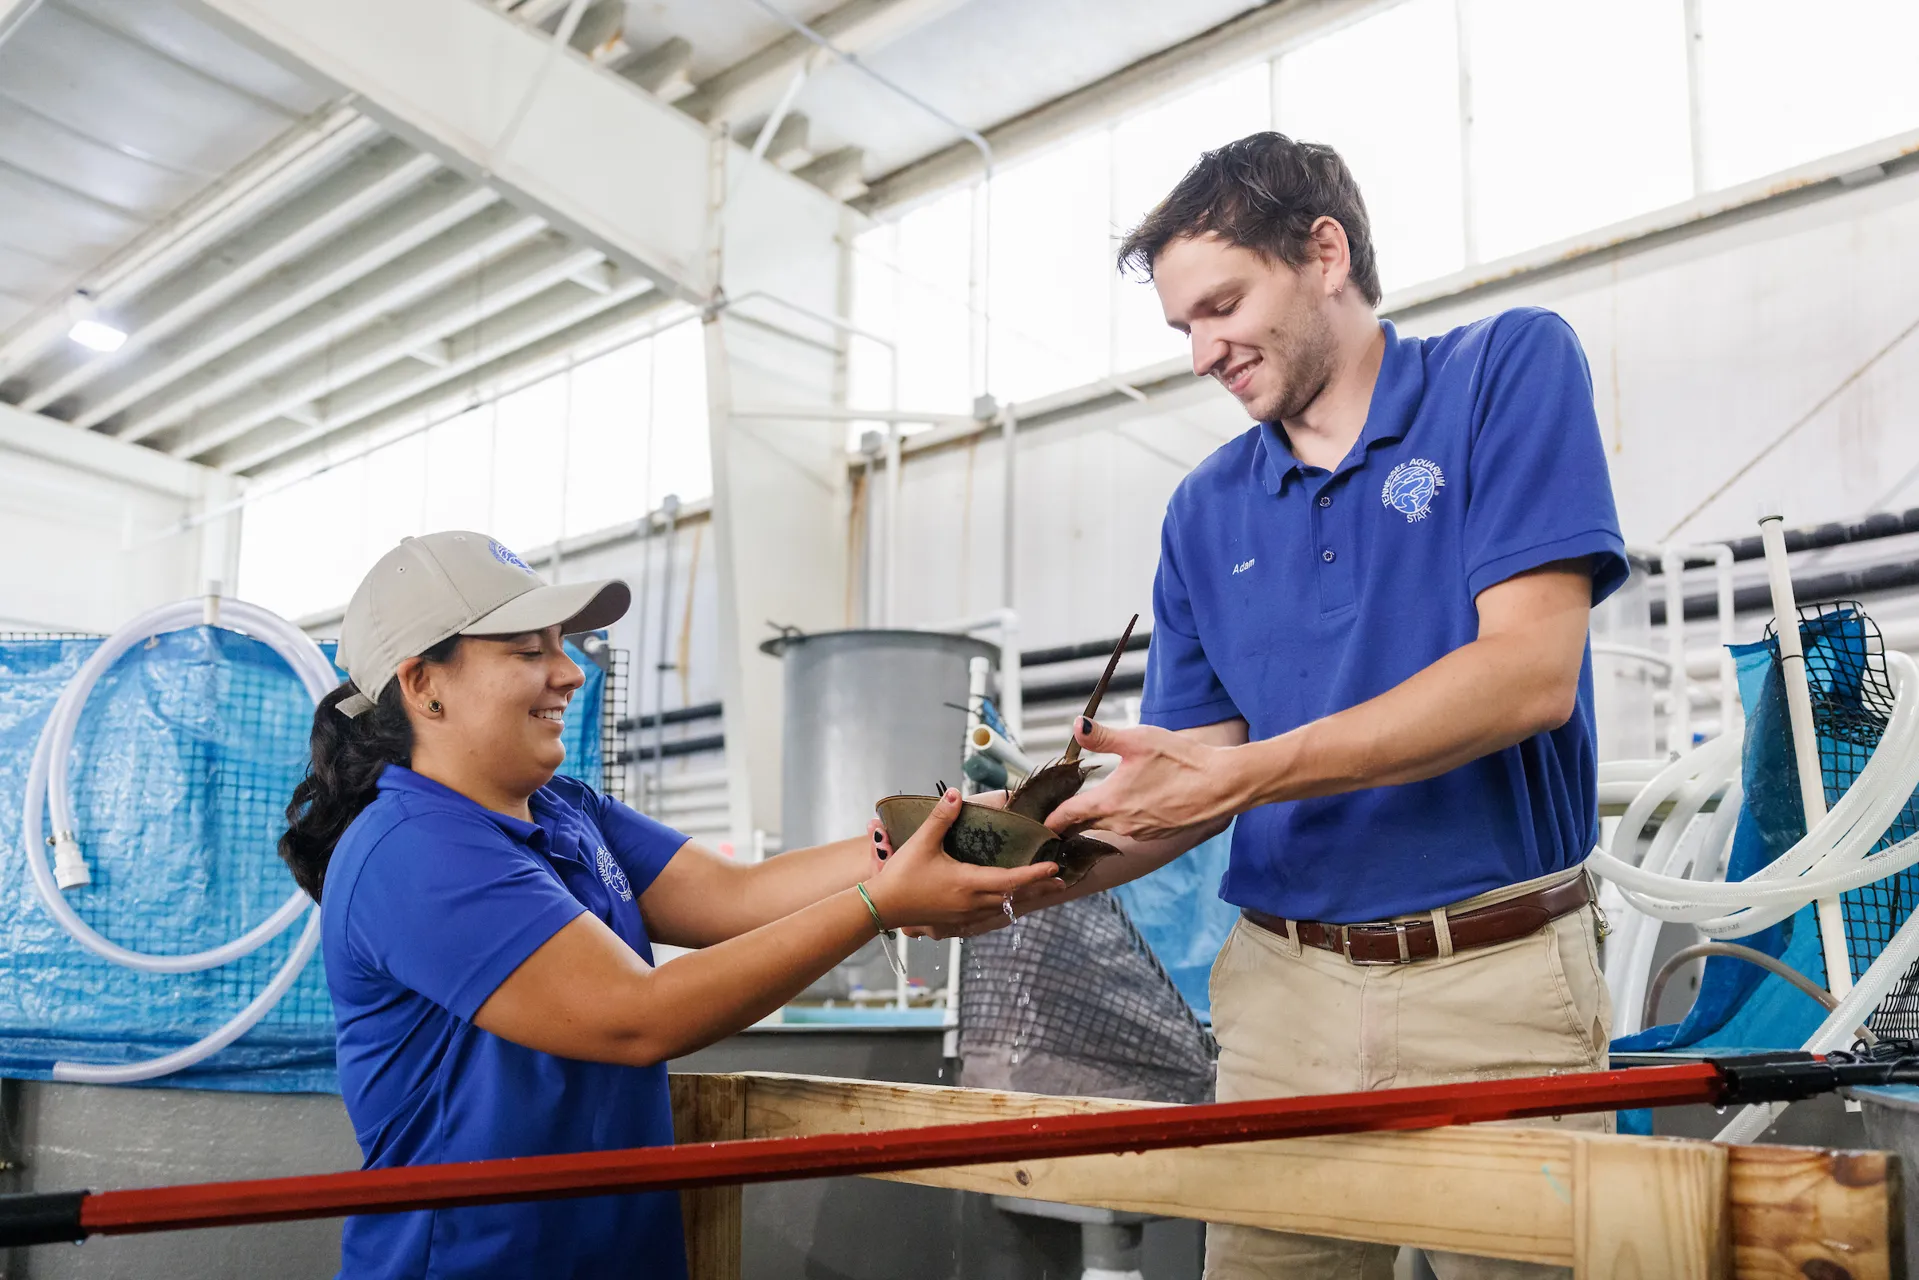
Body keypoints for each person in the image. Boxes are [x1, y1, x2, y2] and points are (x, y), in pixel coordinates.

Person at [1012, 134, 1628, 1280]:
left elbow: (1527, 674)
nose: (1201, 351)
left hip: (1492, 986)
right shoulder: (1203, 511)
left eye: (1221, 304)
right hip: (1280, 1002)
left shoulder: (1503, 372)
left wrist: (1246, 774)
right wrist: (1012, 867)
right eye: (1180, 327)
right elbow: (1187, 781)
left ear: (1323, 252)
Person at [281, 531, 1057, 1280]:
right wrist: (875, 905)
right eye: (529, 651)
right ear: (424, 685)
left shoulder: (561, 809)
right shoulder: (409, 847)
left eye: (561, 644)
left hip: (617, 1252)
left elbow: (740, 896)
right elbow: (633, 1015)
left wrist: (1001, 828)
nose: (569, 672)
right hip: (473, 1262)